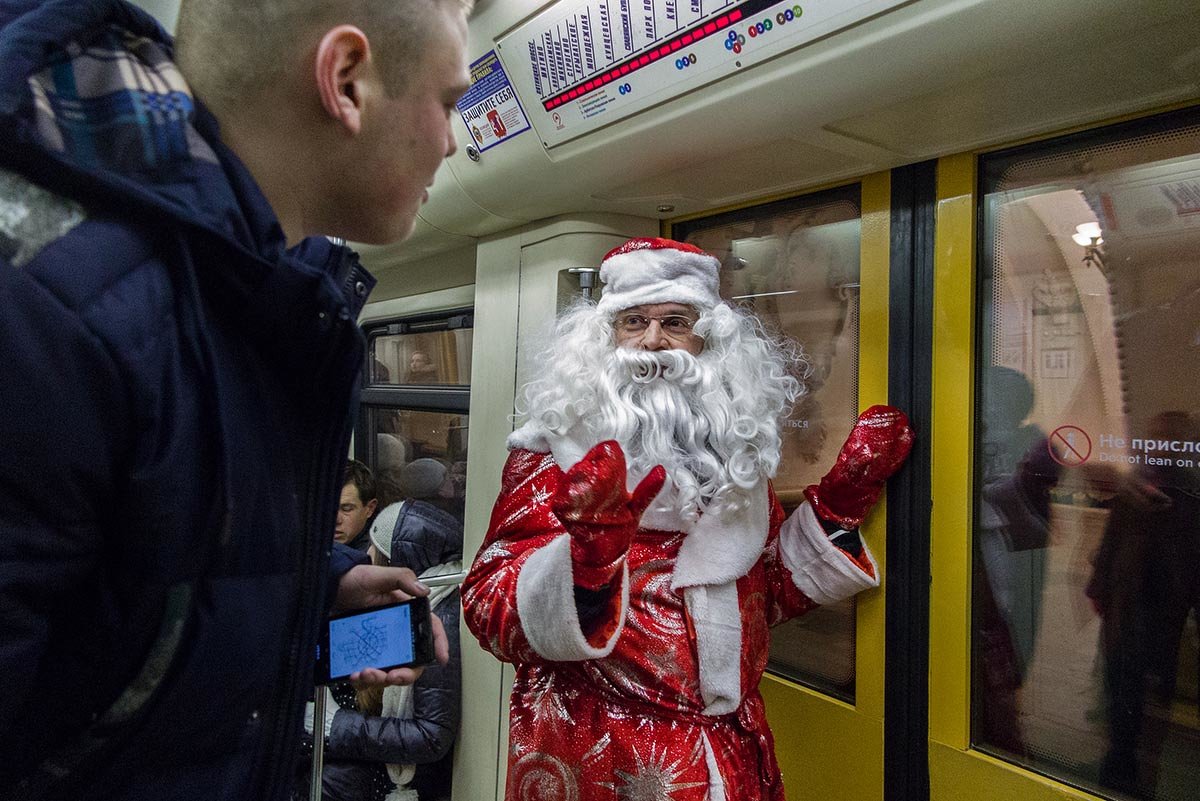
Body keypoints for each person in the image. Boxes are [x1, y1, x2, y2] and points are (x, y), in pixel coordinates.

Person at [0, 0, 471, 798]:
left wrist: (316, 592)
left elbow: (118, 649)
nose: (454, 139)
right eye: (450, 101)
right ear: (346, 80)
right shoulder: (56, 311)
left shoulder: (258, 302)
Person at [462, 238, 914, 800]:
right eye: (634, 322)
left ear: (710, 339)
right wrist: (584, 566)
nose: (653, 342)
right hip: (599, 752)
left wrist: (840, 504)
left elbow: (763, 592)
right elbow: (486, 606)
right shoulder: (552, 455)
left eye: (675, 321)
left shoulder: (734, 457)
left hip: (731, 752)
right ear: (606, 337)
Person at [300, 499, 463, 801]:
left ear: (396, 561)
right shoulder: (424, 606)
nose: (367, 556)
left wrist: (334, 725)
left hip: (383, 776)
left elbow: (431, 735)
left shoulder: (442, 618)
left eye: (376, 551)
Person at [337, 459, 380, 551]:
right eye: (326, 509)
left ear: (370, 509)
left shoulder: (376, 557)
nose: (336, 520)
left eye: (346, 509)